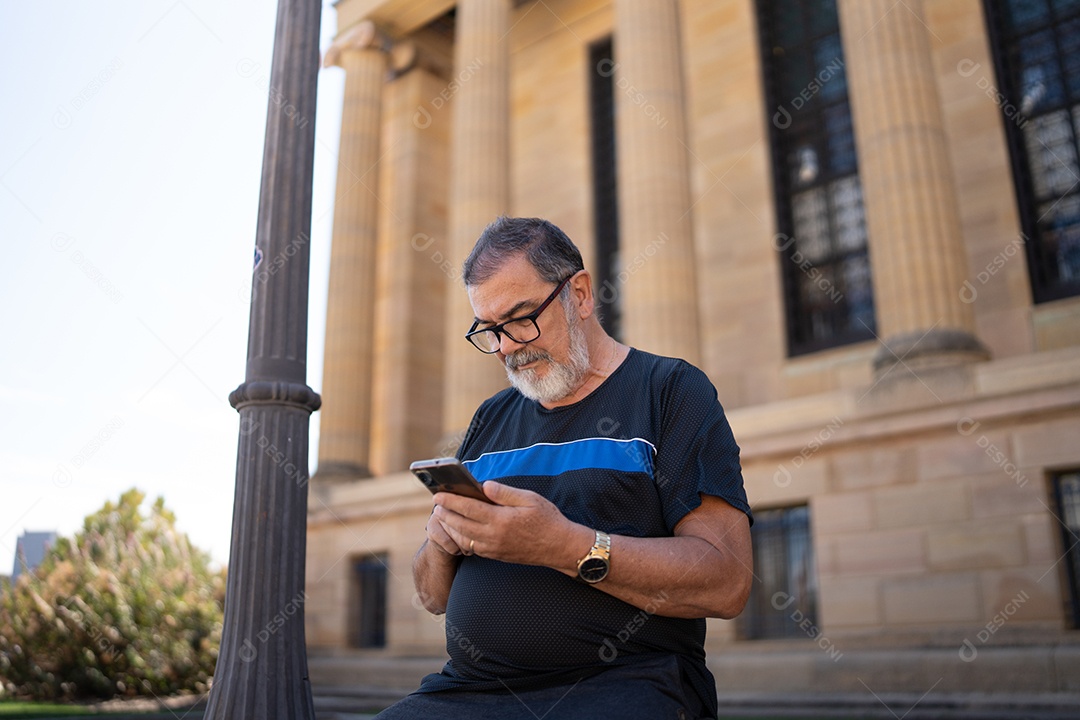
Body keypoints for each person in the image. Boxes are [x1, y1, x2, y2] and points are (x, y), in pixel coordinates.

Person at [374, 217, 753, 720]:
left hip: (624, 687)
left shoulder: (670, 391)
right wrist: (442, 538)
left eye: (521, 318)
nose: (507, 346)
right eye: (490, 330)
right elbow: (432, 596)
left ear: (578, 294)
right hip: (469, 692)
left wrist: (563, 546)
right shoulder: (491, 417)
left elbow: (727, 581)